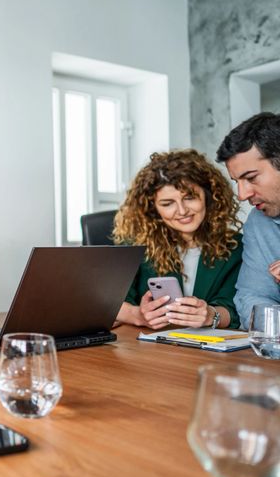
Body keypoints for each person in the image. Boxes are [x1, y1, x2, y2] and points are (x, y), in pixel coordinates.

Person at [112, 149, 243, 330]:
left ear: (209, 195)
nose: (182, 211)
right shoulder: (135, 246)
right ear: (153, 208)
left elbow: (237, 309)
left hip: (211, 351)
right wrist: (137, 315)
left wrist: (211, 315)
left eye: (190, 197)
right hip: (150, 350)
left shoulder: (236, 246)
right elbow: (107, 304)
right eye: (167, 203)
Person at [217, 111, 280, 329]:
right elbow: (252, 298)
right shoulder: (259, 222)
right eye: (237, 181)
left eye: (251, 178)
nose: (241, 195)